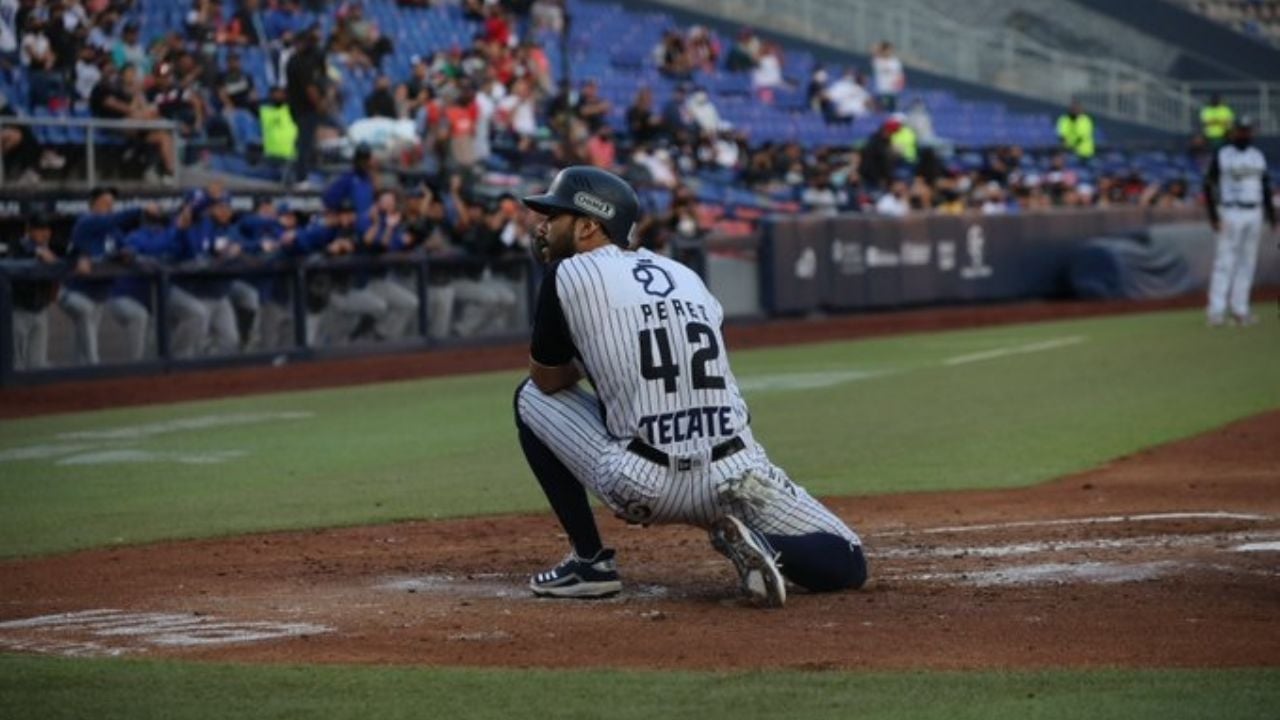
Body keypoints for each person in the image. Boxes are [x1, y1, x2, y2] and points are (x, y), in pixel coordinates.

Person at [515, 166, 868, 607]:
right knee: (849, 561)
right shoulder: (684, 275)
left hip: (645, 483)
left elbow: (546, 379)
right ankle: (757, 541)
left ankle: (590, 562)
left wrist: (591, 364)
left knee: (528, 397)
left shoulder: (567, 274)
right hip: (736, 472)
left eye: (555, 215)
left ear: (589, 225)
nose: (543, 225)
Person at [61, 187, 153, 366]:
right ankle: (92, 372)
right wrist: (140, 208)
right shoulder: (85, 222)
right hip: (75, 292)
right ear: (92, 205)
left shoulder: (112, 231)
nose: (110, 208)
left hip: (99, 294)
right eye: (105, 204)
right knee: (88, 336)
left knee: (84, 342)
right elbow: (112, 220)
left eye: (112, 204)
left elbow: (125, 246)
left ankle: (79, 378)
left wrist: (127, 253)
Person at [1203, 117, 1275, 327]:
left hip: (1254, 210)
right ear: (1233, 132)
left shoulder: (1257, 156)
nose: (1244, 134)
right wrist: (1213, 216)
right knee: (1224, 261)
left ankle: (1240, 309)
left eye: (1247, 130)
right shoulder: (1223, 154)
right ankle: (1216, 312)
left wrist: (1271, 215)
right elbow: (1208, 184)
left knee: (1247, 262)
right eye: (1241, 130)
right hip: (1231, 210)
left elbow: (1265, 186)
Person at [5, 212, 62, 370]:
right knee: (17, 363)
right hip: (19, 311)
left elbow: (59, 271)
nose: (45, 233)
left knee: (38, 363)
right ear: (29, 230)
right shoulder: (17, 247)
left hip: (40, 310)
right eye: (40, 229)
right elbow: (11, 266)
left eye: (47, 229)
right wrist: (34, 254)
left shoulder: (50, 250)